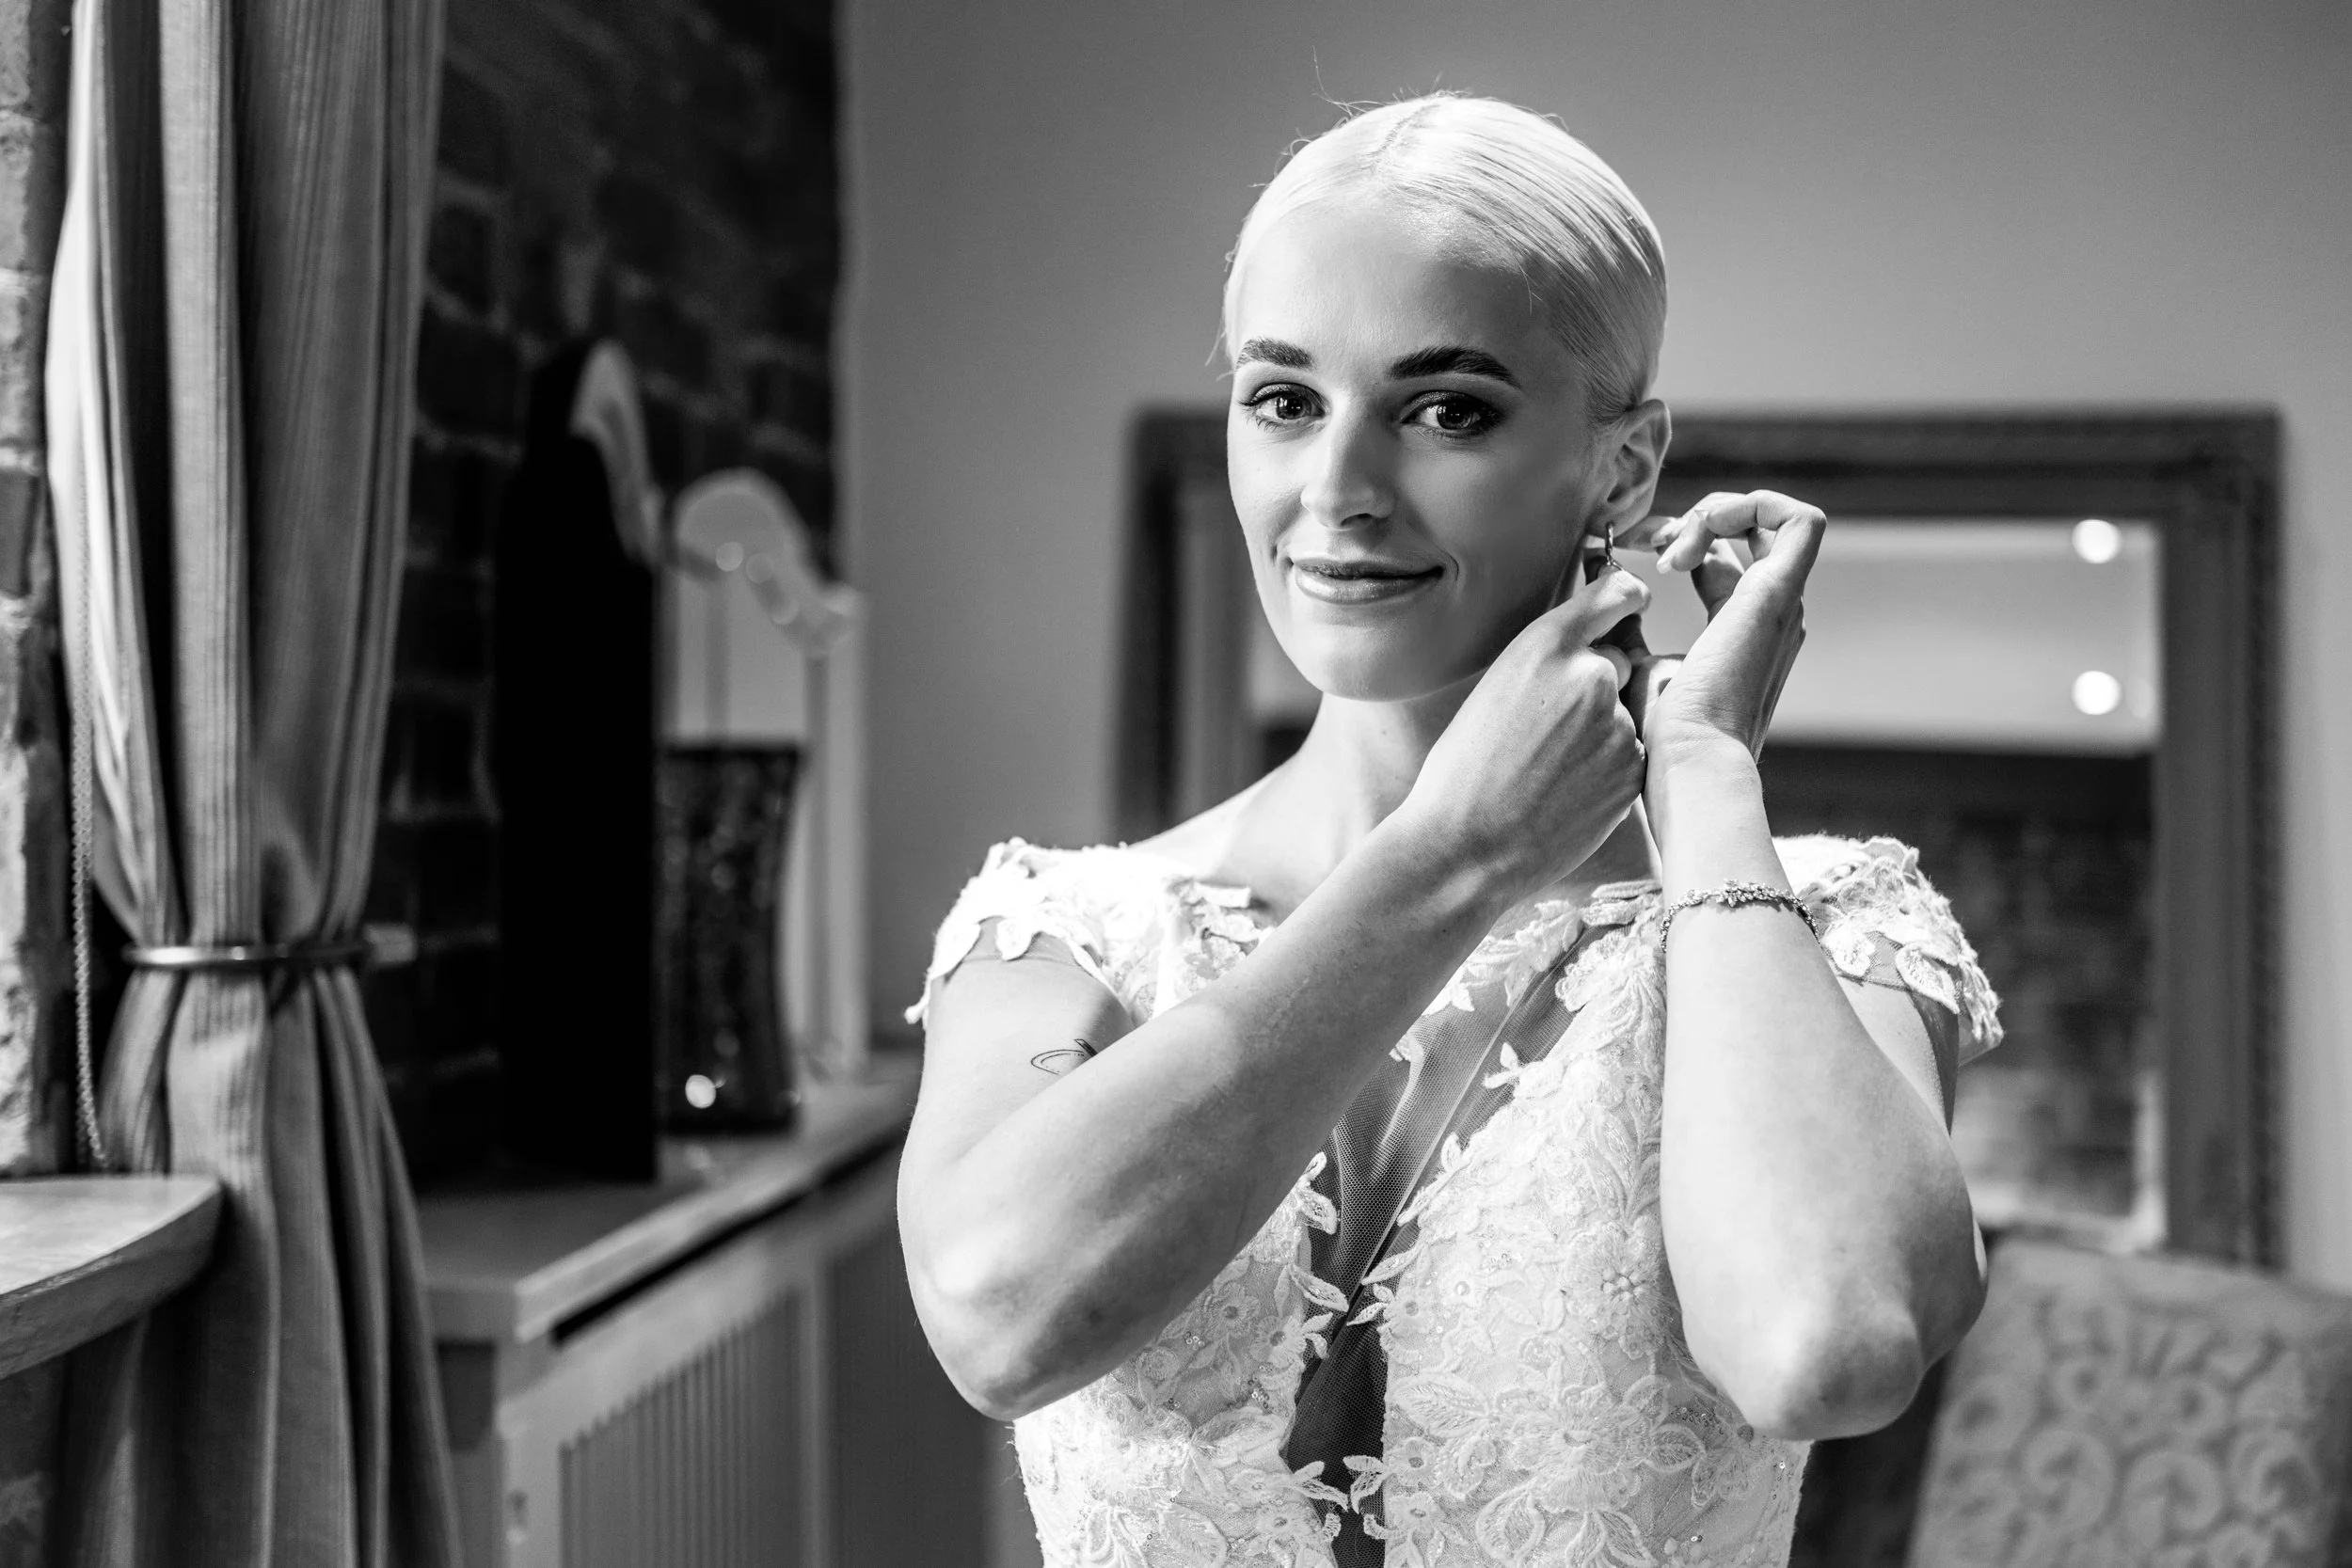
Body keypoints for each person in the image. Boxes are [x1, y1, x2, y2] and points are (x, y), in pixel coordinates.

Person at [899, 93, 2001, 1568]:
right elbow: (997, 1316)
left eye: (1446, 409)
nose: (1339, 492)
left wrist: (1708, 776)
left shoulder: (1825, 928)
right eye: (1284, 399)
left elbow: (1823, 1343)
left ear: (1623, 468)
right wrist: (1451, 854)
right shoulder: (1057, 933)